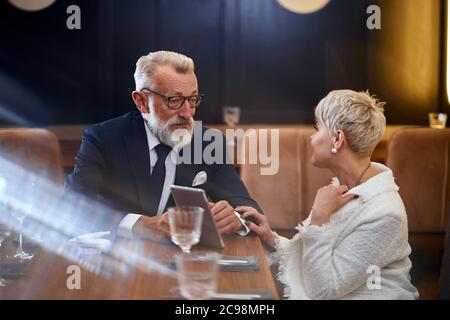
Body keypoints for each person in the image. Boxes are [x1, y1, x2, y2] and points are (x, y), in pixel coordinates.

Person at [239, 90, 419, 300]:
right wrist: (271, 238)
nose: (312, 138)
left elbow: (323, 290)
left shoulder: (385, 213)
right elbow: (317, 261)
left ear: (337, 138)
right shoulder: (346, 186)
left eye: (317, 128)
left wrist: (318, 219)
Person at [65, 51, 262, 238]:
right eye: (174, 100)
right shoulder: (103, 139)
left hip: (181, 261)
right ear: (141, 101)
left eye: (192, 100)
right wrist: (139, 225)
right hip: (116, 260)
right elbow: (70, 209)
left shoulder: (208, 142)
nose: (187, 113)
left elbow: (251, 212)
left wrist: (235, 219)